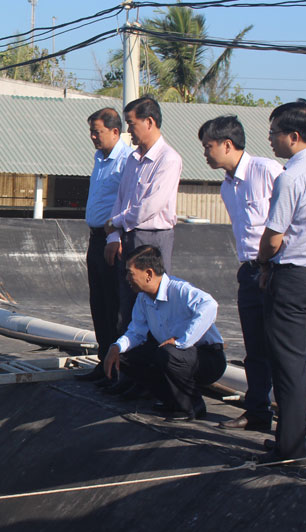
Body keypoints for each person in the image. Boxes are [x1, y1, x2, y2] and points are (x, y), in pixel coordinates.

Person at [255, 99, 306, 464]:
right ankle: (289, 436)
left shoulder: (291, 176)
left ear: (293, 136)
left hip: (291, 278)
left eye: (274, 133)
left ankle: (290, 449)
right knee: (297, 359)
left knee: (286, 367)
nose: (270, 140)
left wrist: (261, 262)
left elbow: (274, 236)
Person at [198, 116, 283, 432]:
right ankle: (258, 412)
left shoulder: (267, 170)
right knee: (255, 350)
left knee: (285, 349)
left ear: (227, 145)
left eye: (208, 147)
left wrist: (269, 265)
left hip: (275, 269)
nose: (206, 154)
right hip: (248, 271)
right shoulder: (226, 187)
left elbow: (287, 221)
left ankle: (300, 413)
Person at [102, 96, 182, 395]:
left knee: (153, 308)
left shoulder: (168, 159)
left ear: (149, 122)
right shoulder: (133, 160)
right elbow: (121, 199)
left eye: (132, 125)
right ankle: (128, 377)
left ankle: (151, 383)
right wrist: (115, 234)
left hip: (153, 238)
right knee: (128, 308)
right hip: (129, 235)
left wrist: (117, 223)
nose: (130, 132)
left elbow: (151, 206)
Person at [103, 245, 226, 422]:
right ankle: (172, 401)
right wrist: (116, 347)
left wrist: (183, 340)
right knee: (125, 357)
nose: (127, 278)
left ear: (149, 274)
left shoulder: (179, 290)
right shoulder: (143, 298)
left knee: (168, 354)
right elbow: (136, 332)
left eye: (130, 273)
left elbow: (210, 305)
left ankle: (192, 405)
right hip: (174, 354)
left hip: (207, 358)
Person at [76, 107, 132, 383]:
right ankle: (103, 362)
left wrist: (115, 237)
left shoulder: (126, 160)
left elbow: (127, 202)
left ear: (114, 131)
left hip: (114, 240)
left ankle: (118, 367)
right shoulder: (100, 158)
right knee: (99, 302)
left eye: (97, 132)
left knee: (115, 304)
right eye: (91, 132)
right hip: (96, 238)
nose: (93, 138)